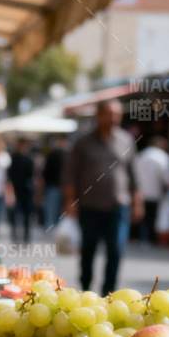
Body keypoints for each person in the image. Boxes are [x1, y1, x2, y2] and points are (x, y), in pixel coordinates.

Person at [64, 101, 142, 294]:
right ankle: (86, 288)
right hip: (90, 206)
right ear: (98, 116)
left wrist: (138, 202)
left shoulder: (126, 140)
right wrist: (69, 202)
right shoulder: (83, 143)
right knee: (88, 250)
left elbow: (134, 175)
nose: (113, 118)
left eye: (117, 114)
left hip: (118, 206)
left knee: (115, 250)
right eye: (109, 114)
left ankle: (109, 292)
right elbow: (70, 175)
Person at [133, 136, 169, 243]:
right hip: (155, 193)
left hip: (140, 192)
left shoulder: (140, 155)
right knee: (151, 218)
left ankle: (139, 238)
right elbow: (168, 179)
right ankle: (149, 239)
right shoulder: (163, 157)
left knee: (140, 217)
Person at [8, 138, 38, 243]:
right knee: (14, 214)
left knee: (26, 215)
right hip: (16, 189)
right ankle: (15, 235)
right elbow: (9, 175)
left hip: (26, 190)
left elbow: (32, 175)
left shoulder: (29, 159)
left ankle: (26, 236)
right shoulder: (13, 158)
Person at [41, 139, 67, 229]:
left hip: (53, 186)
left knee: (51, 209)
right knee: (59, 210)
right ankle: (57, 228)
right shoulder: (67, 155)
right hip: (59, 186)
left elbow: (45, 172)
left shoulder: (52, 155)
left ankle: (51, 227)